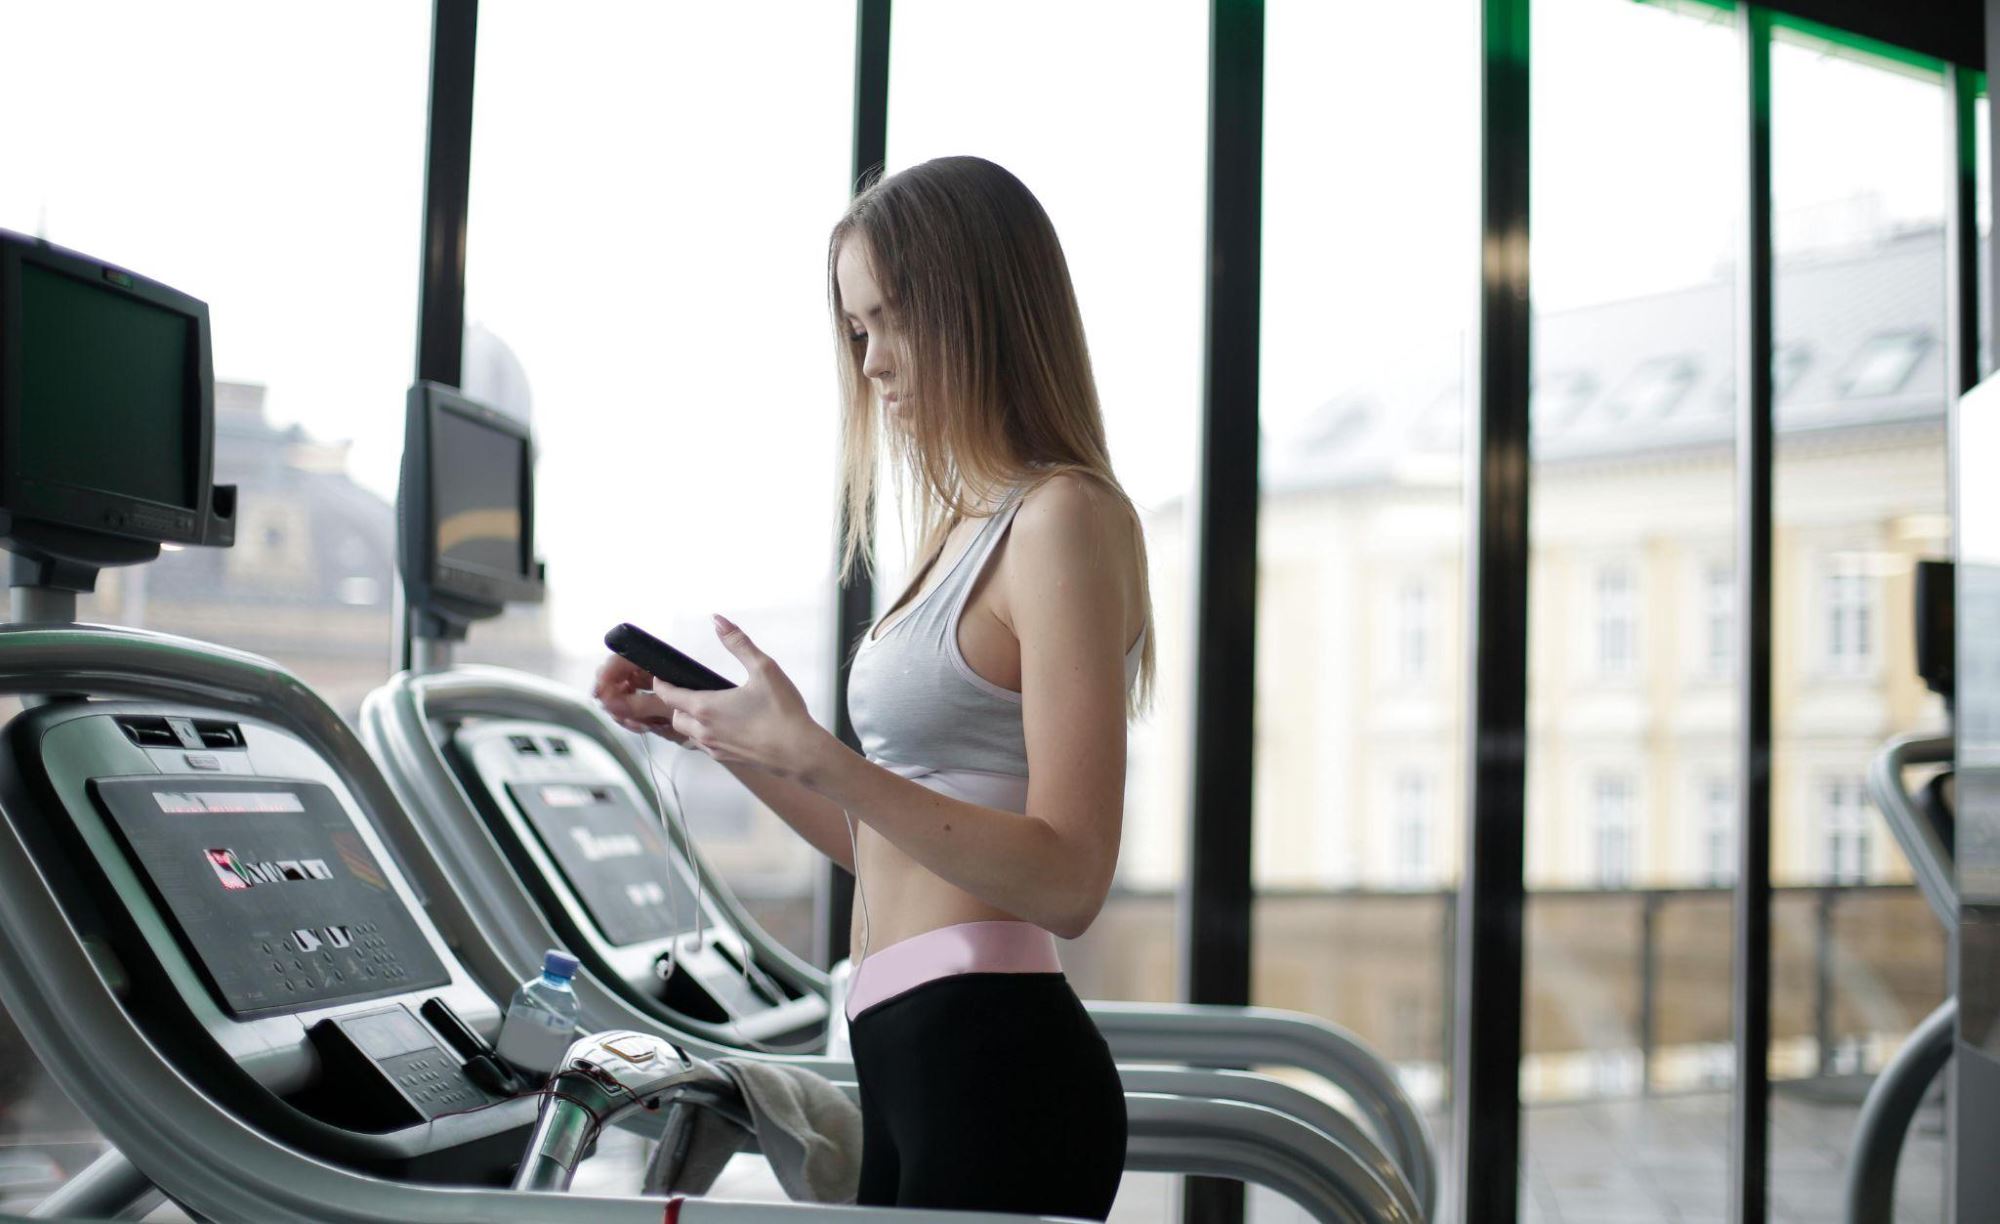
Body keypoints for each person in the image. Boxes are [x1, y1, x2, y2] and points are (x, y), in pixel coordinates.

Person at [594, 154, 1153, 1218]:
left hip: (992, 1061)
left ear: (979, 309)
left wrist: (815, 751)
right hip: (909, 1051)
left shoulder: (1063, 519)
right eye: (856, 331)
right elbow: (885, 842)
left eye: (892, 320)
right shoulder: (957, 529)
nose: (874, 362)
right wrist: (721, 736)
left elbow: (1070, 878)